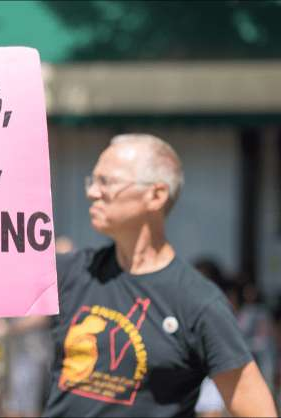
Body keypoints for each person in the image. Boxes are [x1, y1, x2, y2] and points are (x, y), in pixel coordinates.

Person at [44, 133, 276, 417]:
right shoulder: (72, 271)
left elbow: (256, 408)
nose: (92, 192)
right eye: (92, 181)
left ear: (156, 195)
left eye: (107, 182)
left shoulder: (197, 302)